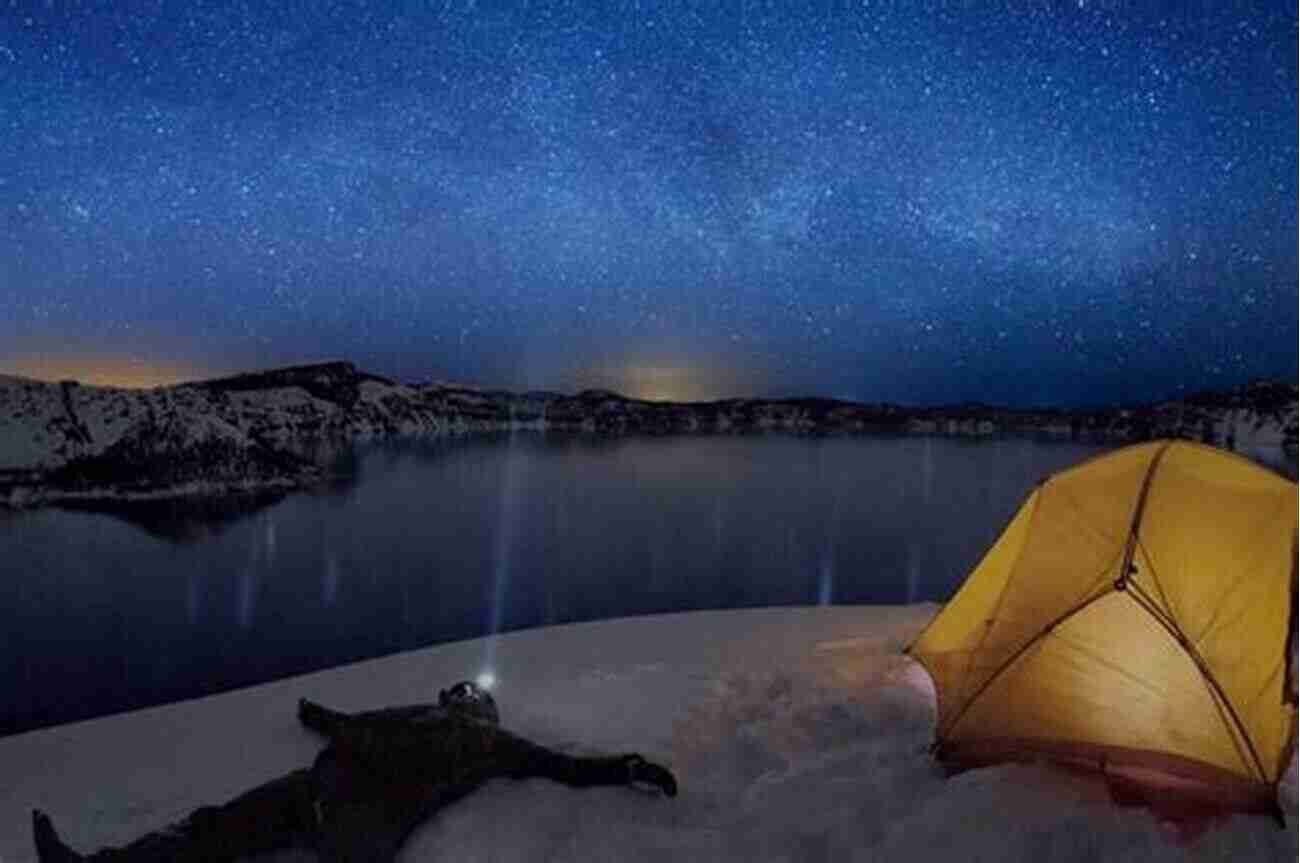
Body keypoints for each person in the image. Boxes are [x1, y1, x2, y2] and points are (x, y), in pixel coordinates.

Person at [33, 681, 677, 862]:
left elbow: (347, 726)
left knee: (211, 830)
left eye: (463, 697)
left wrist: (318, 713)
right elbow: (566, 769)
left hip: (331, 801)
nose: (460, 702)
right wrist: (627, 768)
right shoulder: (501, 746)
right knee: (216, 831)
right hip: (356, 827)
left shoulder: (458, 729)